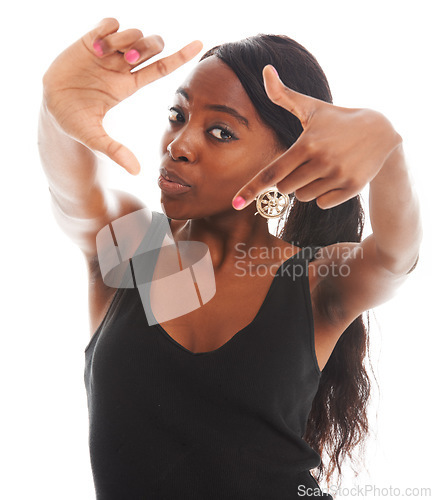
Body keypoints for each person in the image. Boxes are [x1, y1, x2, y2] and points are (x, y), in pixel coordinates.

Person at [38, 17, 422, 499]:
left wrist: (388, 151)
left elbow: (396, 255)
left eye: (220, 132)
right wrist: (57, 110)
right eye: (178, 116)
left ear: (288, 159)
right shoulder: (132, 249)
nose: (178, 145)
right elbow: (73, 192)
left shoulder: (315, 281)